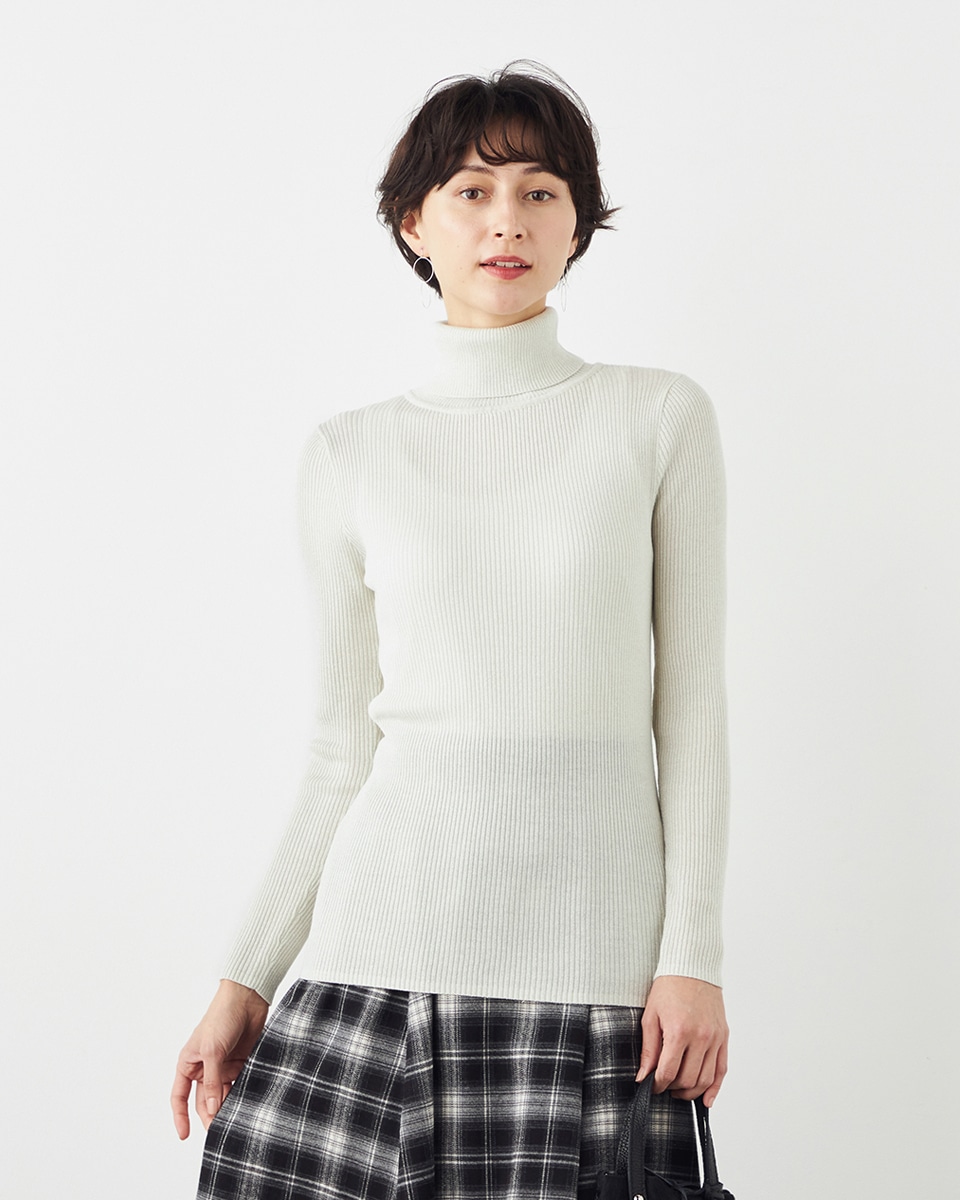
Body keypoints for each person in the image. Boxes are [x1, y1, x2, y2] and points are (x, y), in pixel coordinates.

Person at [171, 59, 731, 1200]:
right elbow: (341, 753)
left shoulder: (657, 416)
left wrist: (692, 958)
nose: (506, 221)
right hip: (374, 955)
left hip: (591, 972)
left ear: (579, 224)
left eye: (539, 191)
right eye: (471, 191)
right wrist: (245, 976)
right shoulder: (350, 452)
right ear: (412, 224)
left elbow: (693, 715)